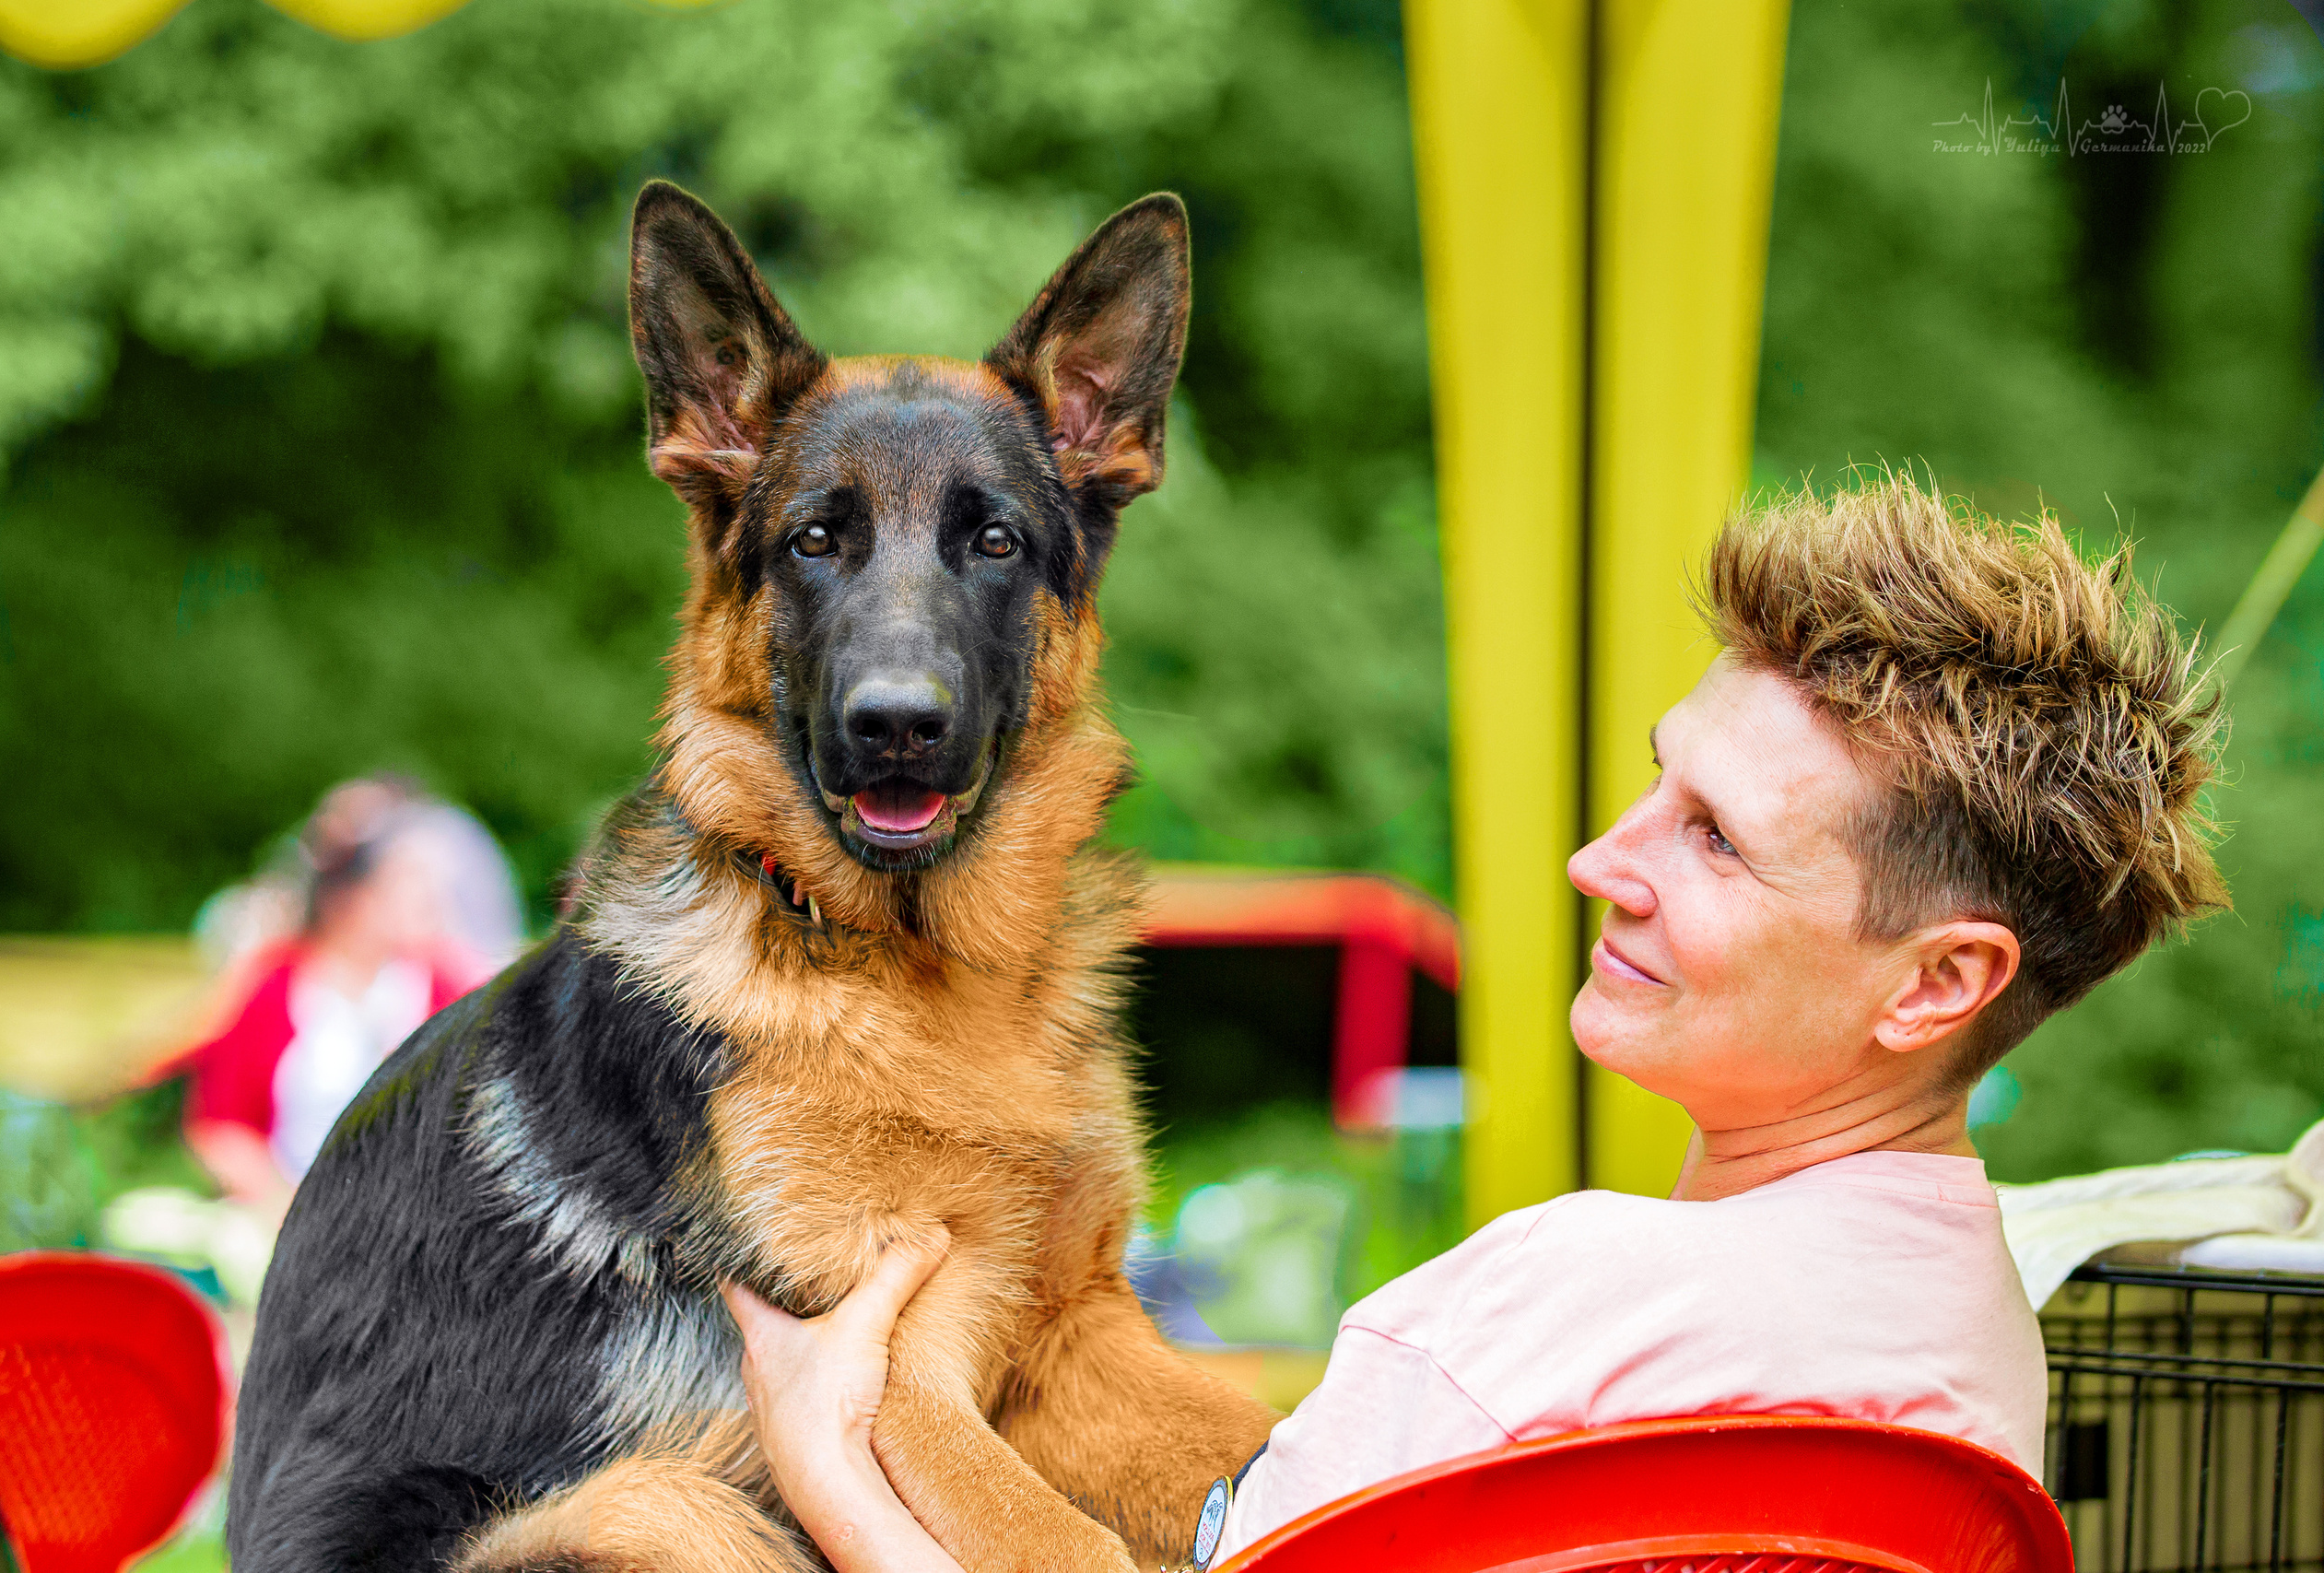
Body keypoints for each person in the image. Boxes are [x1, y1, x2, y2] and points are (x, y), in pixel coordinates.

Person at [712, 475, 2229, 1571]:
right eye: (1658, 781)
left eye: (1712, 837)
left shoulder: (1560, 1303)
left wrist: (832, 1442)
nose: (1600, 861)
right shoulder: (1976, 1354)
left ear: (1935, 982)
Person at [182, 777, 520, 1215]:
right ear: (349, 898)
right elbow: (222, 1126)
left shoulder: (441, 984)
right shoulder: (276, 984)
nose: (430, 900)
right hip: (284, 1211)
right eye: (406, 883)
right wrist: (289, 1209)